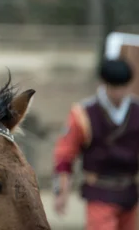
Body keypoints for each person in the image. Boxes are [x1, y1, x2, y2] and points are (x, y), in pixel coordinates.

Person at [52, 58, 139, 230]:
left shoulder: (136, 110)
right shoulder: (84, 113)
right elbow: (65, 155)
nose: (119, 92)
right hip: (100, 191)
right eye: (114, 86)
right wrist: (61, 192)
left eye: (123, 86)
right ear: (104, 84)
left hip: (129, 191)